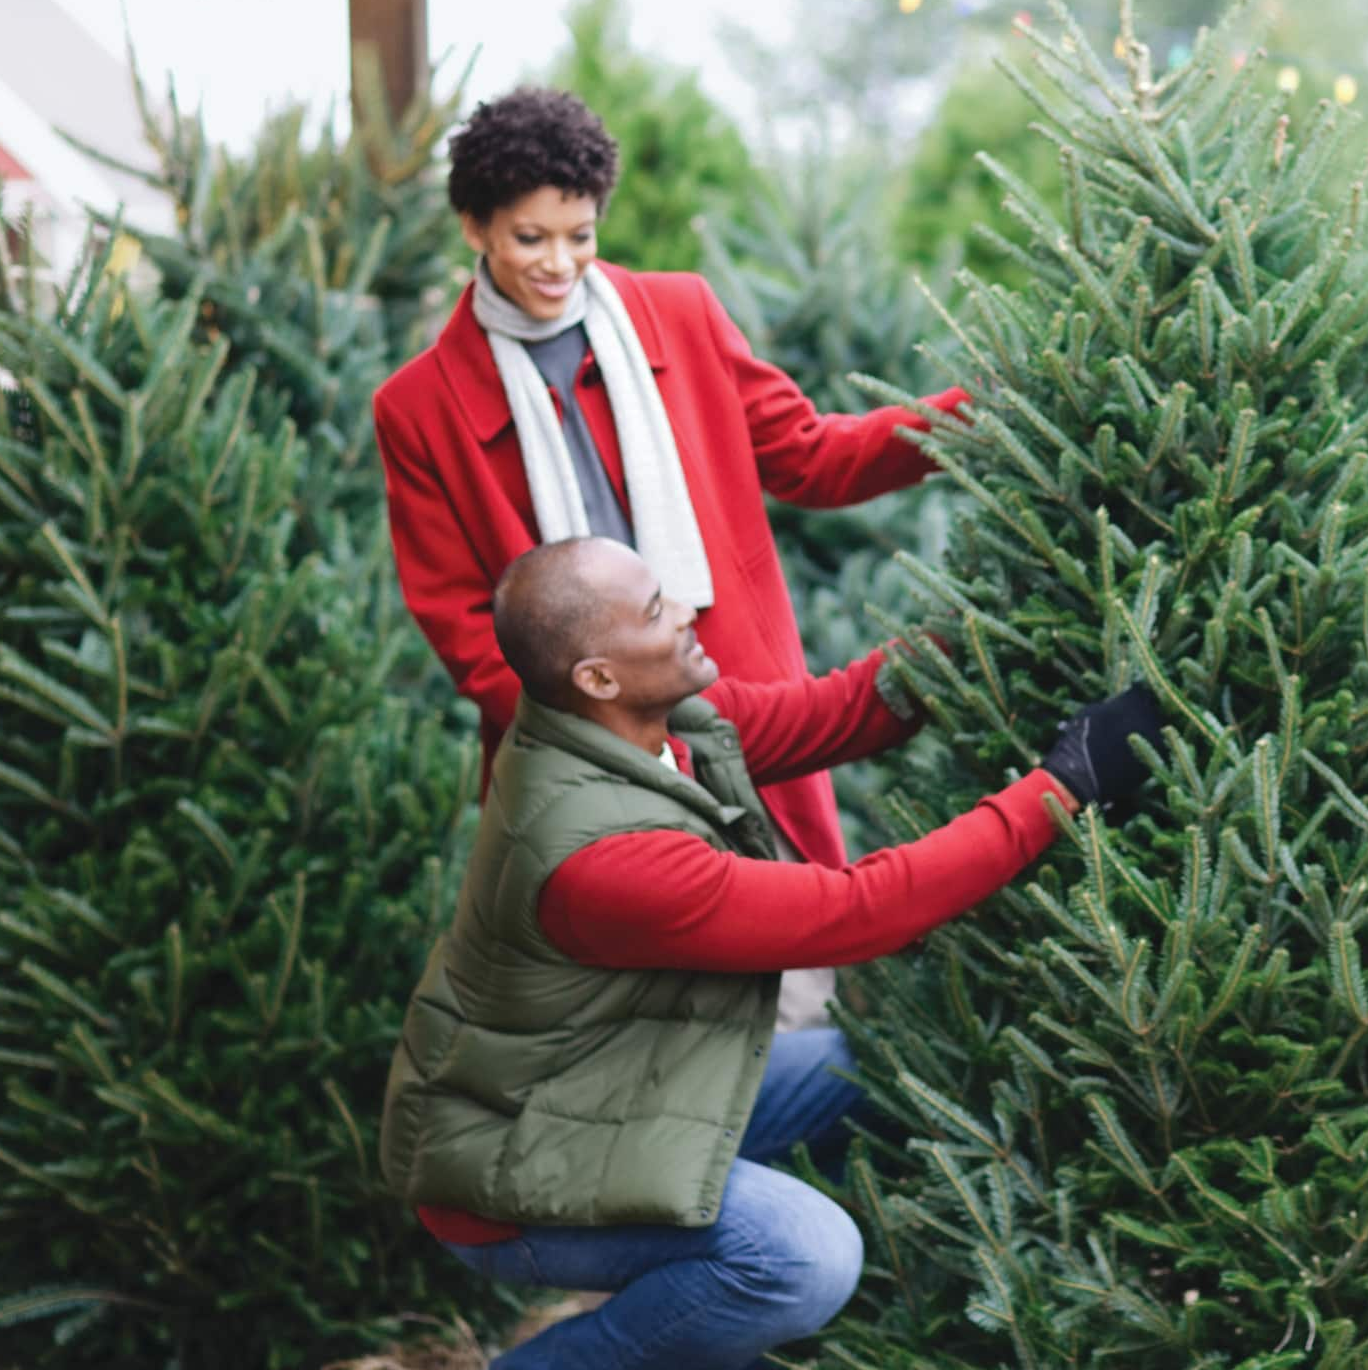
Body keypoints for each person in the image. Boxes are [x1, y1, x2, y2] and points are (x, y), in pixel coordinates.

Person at [383, 535, 1169, 1370]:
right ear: (596, 672)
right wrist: (1059, 788)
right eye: (657, 609)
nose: (688, 616)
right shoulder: (599, 854)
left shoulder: (643, 723)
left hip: (622, 1103)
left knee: (876, 1071)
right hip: (520, 1170)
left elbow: (834, 710)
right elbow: (854, 912)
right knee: (802, 1254)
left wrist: (991, 626)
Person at [373, 85, 968, 1029]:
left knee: (804, 980)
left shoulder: (681, 314)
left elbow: (812, 455)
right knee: (645, 1018)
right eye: (532, 238)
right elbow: (461, 623)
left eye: (581, 233)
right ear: (475, 226)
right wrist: (608, 731)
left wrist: (977, 418)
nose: (560, 262)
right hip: (586, 751)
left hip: (749, 710)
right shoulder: (420, 405)